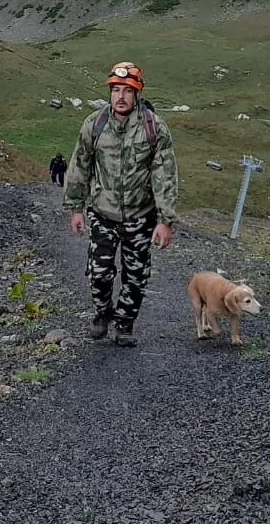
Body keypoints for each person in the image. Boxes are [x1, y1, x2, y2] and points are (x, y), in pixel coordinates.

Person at [62, 61, 178, 347]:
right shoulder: (95, 124)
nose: (121, 96)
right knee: (99, 274)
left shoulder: (154, 128)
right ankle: (103, 313)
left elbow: (165, 174)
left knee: (135, 277)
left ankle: (125, 324)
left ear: (138, 93)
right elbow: (79, 164)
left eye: (128, 90)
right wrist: (76, 208)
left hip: (141, 217)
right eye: (116, 90)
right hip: (102, 214)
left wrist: (165, 220)